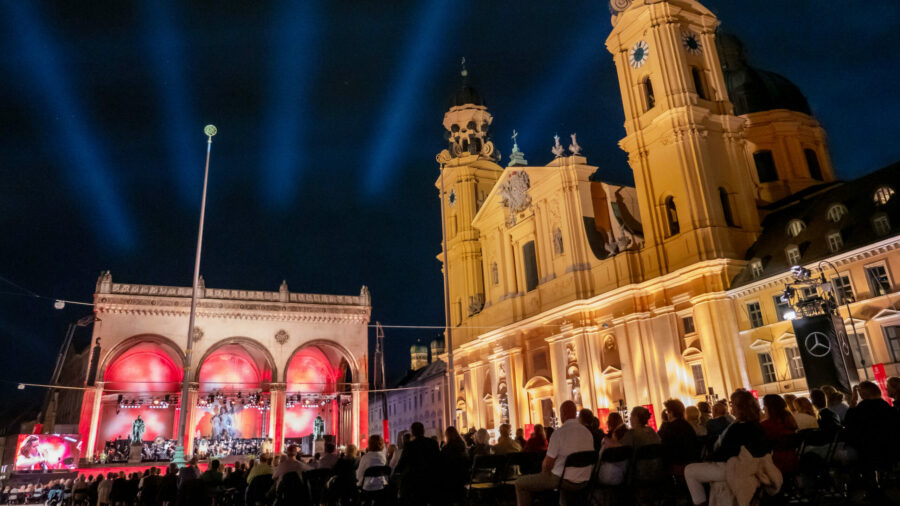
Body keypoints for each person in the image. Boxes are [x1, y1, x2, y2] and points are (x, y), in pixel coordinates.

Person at [684, 390, 766, 506]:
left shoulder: (738, 428)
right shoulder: (756, 425)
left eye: (732, 404)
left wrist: (709, 458)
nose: (731, 408)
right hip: (750, 466)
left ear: (740, 408)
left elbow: (726, 453)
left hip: (733, 467)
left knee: (689, 470)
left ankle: (700, 503)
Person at [515, 400, 594, 506]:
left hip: (563, 480)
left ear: (562, 414)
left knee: (520, 483)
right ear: (575, 413)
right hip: (585, 480)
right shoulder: (587, 433)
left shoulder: (559, 434)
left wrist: (543, 476)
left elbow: (548, 464)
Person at [844, 381, 900, 470]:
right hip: (890, 451)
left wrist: (853, 401)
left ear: (862, 394)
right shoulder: (889, 409)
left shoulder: (860, 409)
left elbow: (848, 424)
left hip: (867, 453)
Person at [395, 422, 440, 505]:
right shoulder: (433, 443)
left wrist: (396, 471)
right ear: (423, 431)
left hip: (415, 483)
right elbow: (438, 461)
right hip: (432, 481)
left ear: (412, 432)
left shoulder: (409, 446)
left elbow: (401, 464)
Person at [658, 399, 699, 470]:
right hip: (691, 461)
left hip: (677, 463)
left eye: (667, 411)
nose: (667, 414)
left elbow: (662, 444)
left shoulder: (669, 427)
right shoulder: (687, 425)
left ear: (671, 412)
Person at [439, 426, 469, 504]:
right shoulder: (462, 447)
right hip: (462, 477)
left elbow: (441, 463)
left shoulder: (446, 449)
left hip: (450, 479)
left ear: (447, 436)